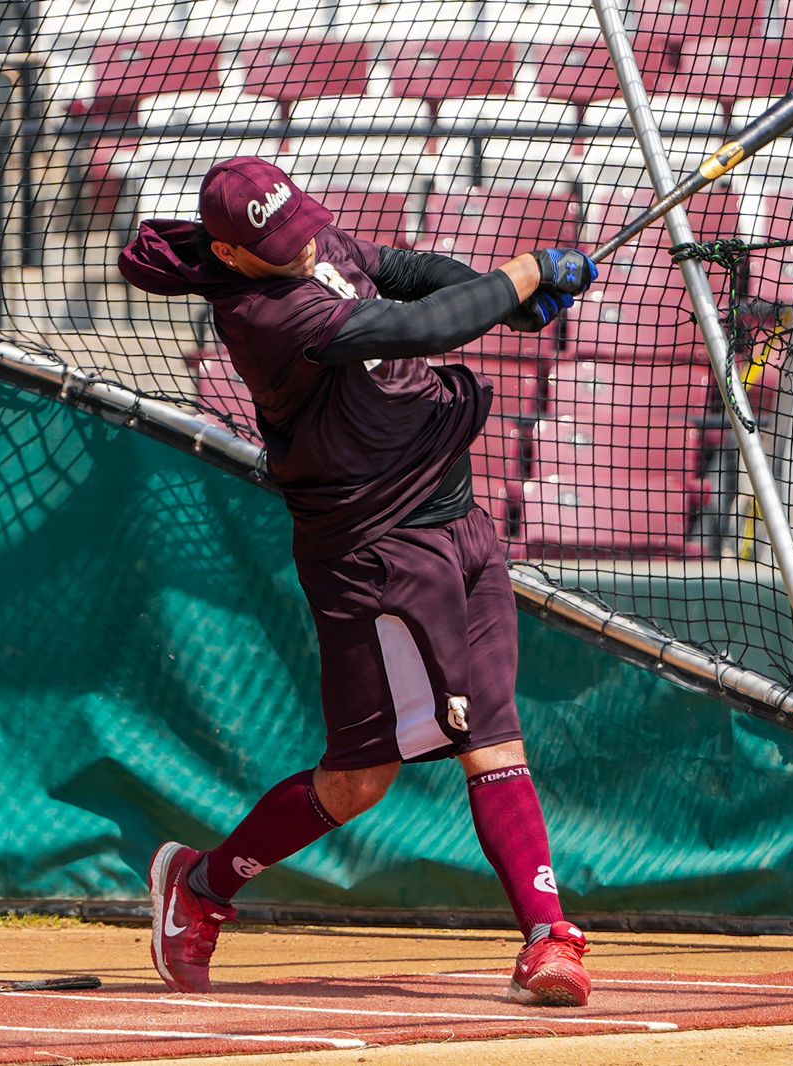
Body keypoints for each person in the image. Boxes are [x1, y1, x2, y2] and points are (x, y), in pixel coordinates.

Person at [117, 157, 599, 1006]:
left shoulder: (298, 243)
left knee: (494, 735)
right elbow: (413, 328)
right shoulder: (265, 312)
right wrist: (522, 274)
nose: (307, 249)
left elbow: (404, 272)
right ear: (233, 257)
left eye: (305, 226)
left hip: (458, 520)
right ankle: (200, 887)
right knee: (360, 781)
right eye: (282, 242)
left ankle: (548, 939)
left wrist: (506, 297)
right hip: (378, 553)